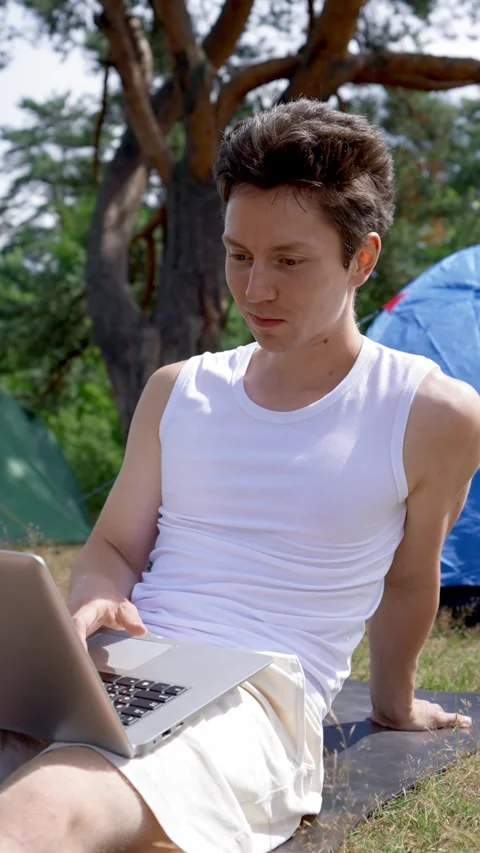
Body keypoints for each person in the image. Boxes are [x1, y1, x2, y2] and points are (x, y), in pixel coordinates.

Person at [0, 98, 479, 853]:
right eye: (239, 256)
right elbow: (115, 549)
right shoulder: (178, 390)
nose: (256, 290)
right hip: (124, 669)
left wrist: (394, 704)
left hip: (259, 699)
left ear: (363, 257)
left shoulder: (432, 412)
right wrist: (94, 602)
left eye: (289, 261)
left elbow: (410, 578)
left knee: (48, 805)